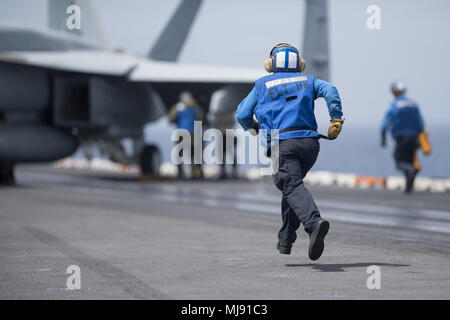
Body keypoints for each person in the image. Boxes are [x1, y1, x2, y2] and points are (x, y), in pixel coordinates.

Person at [236, 43, 344, 260]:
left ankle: (313, 223)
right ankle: (285, 239)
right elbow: (330, 90)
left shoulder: (262, 84)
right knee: (292, 187)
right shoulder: (309, 80)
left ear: (270, 64)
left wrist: (255, 128)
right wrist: (336, 118)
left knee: (291, 185)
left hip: (280, 143)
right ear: (300, 64)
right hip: (310, 145)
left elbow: (242, 114)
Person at [381, 81, 427, 193]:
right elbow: (421, 124)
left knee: (399, 162)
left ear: (394, 92)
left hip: (401, 138)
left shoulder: (394, 106)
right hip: (414, 138)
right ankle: (408, 188)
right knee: (409, 161)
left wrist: (383, 140)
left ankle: (412, 172)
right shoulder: (413, 104)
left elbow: (384, 126)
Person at [169, 91, 204, 179]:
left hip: (181, 134)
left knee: (179, 154)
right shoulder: (197, 107)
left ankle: (180, 173)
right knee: (195, 155)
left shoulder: (177, 107)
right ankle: (196, 173)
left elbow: (171, 119)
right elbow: (201, 119)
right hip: (194, 133)